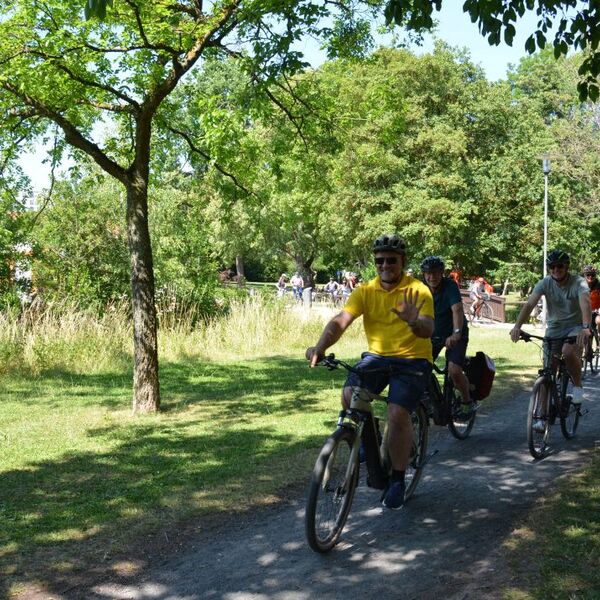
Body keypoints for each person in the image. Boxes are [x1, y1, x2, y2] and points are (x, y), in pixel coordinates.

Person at [306, 234, 434, 510]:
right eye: (380, 260)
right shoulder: (365, 291)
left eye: (391, 260)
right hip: (377, 357)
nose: (385, 265)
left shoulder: (418, 290)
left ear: (402, 262)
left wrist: (414, 322)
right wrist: (320, 347)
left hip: (412, 360)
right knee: (350, 393)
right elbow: (341, 321)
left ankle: (397, 479)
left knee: (397, 412)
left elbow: (428, 328)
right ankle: (370, 435)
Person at [510, 250, 591, 429]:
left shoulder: (579, 282)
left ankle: (577, 386)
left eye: (559, 266)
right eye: (552, 267)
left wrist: (586, 328)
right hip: (554, 328)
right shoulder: (545, 283)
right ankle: (541, 416)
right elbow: (530, 304)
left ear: (566, 267)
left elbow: (585, 303)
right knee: (548, 371)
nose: (556, 270)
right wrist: (517, 326)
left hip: (576, 326)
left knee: (568, 352)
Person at [420, 256, 473, 410]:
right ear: (423, 274)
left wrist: (456, 333)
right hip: (432, 335)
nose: (432, 277)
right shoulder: (421, 288)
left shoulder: (449, 285)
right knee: (418, 367)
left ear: (442, 273)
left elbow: (456, 309)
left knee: (454, 370)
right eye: (428, 273)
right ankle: (429, 401)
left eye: (436, 273)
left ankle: (466, 402)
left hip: (455, 334)